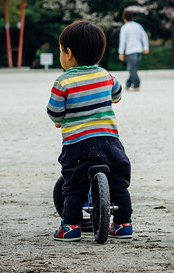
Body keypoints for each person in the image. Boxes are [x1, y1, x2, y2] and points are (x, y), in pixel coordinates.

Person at [47, 20, 133, 241]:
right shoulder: (106, 76)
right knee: (119, 181)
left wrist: (59, 121)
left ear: (68, 53)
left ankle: (70, 227)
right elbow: (117, 95)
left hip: (78, 144)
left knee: (74, 183)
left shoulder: (63, 81)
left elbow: (54, 111)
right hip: (109, 140)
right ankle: (124, 223)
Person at [118, 10, 149, 91]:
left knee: (131, 69)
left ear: (124, 18)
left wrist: (121, 52)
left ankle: (136, 84)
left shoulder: (124, 28)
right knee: (133, 68)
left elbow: (122, 41)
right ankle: (128, 84)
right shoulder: (138, 26)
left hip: (130, 51)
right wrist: (145, 47)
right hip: (139, 50)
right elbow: (144, 36)